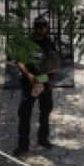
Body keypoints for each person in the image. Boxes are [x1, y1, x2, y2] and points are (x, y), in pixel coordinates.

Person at [12, 17, 59, 155]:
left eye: (46, 28)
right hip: (29, 82)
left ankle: (43, 139)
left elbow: (55, 61)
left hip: (44, 82)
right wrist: (29, 75)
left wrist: (50, 76)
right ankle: (23, 145)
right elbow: (19, 62)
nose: (46, 31)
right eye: (44, 28)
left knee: (45, 112)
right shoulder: (27, 43)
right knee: (24, 113)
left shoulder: (49, 42)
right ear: (37, 29)